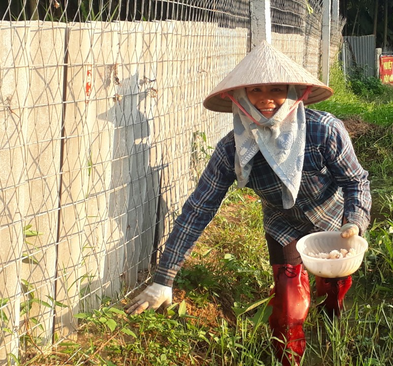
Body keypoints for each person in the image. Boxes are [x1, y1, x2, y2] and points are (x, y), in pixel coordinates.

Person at [126, 40, 371, 366]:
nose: (266, 98)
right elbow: (199, 209)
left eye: (276, 89)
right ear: (238, 98)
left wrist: (353, 222)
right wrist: (163, 279)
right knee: (288, 305)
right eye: (255, 90)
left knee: (334, 287)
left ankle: (331, 323)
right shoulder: (232, 150)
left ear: (294, 92)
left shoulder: (324, 131)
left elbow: (355, 181)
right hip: (283, 225)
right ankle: (290, 359)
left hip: (332, 222)